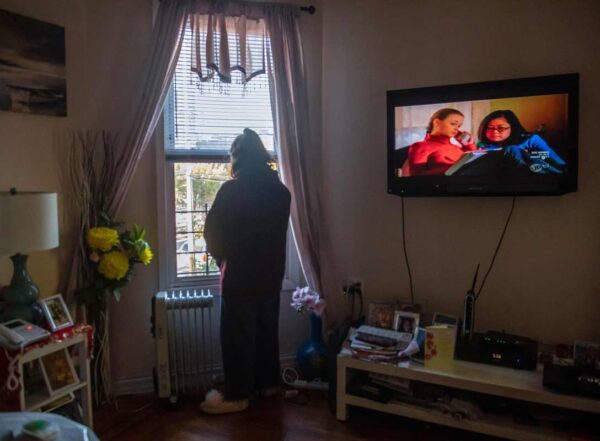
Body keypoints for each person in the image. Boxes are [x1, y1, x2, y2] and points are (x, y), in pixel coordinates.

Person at [200, 128, 291, 414]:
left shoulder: (232, 190)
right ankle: (267, 385)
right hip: (272, 273)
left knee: (237, 337)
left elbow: (211, 231)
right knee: (267, 332)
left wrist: (222, 259)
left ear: (237, 158)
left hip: (239, 274)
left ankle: (239, 394)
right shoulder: (281, 192)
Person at [476, 110, 566, 174]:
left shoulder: (532, 140)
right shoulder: (482, 146)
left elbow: (558, 163)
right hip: (506, 183)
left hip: (542, 176)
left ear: (513, 127)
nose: (495, 131)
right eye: (490, 128)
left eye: (501, 128)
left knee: (512, 150)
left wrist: (526, 155)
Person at [403, 108, 477, 176]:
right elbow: (417, 176)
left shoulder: (457, 147)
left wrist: (468, 144)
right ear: (436, 122)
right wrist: (454, 167)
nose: (457, 129)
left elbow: (474, 162)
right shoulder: (420, 146)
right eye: (453, 124)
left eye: (459, 126)